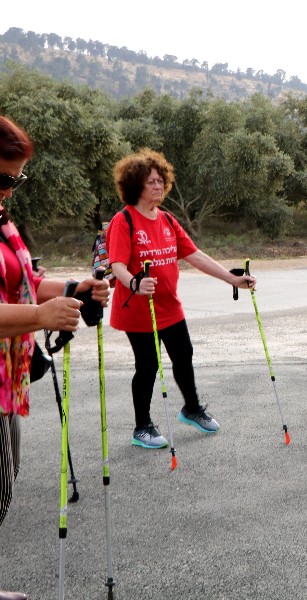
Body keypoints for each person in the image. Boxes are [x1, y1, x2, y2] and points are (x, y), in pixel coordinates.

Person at [0, 115, 110, 600]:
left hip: (9, 374)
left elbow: (22, 284)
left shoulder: (2, 220)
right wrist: (42, 315)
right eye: (5, 177)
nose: (11, 189)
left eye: (18, 179)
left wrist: (72, 288)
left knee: (5, 481)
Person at [107, 149, 255, 449]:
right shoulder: (124, 221)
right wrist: (134, 282)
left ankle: (191, 408)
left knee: (183, 354)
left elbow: (195, 255)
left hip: (169, 306)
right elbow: (117, 265)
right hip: (138, 308)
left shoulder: (167, 220)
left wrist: (232, 278)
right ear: (136, 185)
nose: (158, 186)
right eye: (151, 181)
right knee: (147, 366)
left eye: (161, 180)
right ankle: (142, 427)